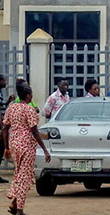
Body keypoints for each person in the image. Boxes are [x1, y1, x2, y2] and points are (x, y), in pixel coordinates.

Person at [2, 84, 51, 215]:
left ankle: (14, 203)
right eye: (31, 94)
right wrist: (45, 150)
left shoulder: (11, 108)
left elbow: (5, 128)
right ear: (28, 95)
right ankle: (19, 209)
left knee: (20, 174)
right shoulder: (29, 110)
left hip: (14, 145)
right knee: (25, 177)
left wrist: (6, 147)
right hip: (27, 146)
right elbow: (34, 131)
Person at [0, 75, 15, 184]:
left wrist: (7, 102)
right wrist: (2, 127)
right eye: (4, 80)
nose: (5, 82)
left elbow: (1, 106)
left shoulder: (1, 92)